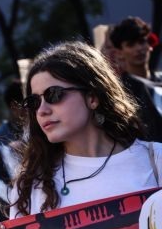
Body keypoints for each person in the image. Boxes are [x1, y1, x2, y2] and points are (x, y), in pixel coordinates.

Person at [10, 41, 162, 218]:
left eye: (53, 94)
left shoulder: (155, 160)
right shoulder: (31, 184)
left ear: (92, 98)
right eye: (34, 102)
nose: (42, 111)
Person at [109, 16, 162, 142]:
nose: (139, 48)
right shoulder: (119, 91)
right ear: (119, 52)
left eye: (142, 41)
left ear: (150, 45)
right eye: (131, 44)